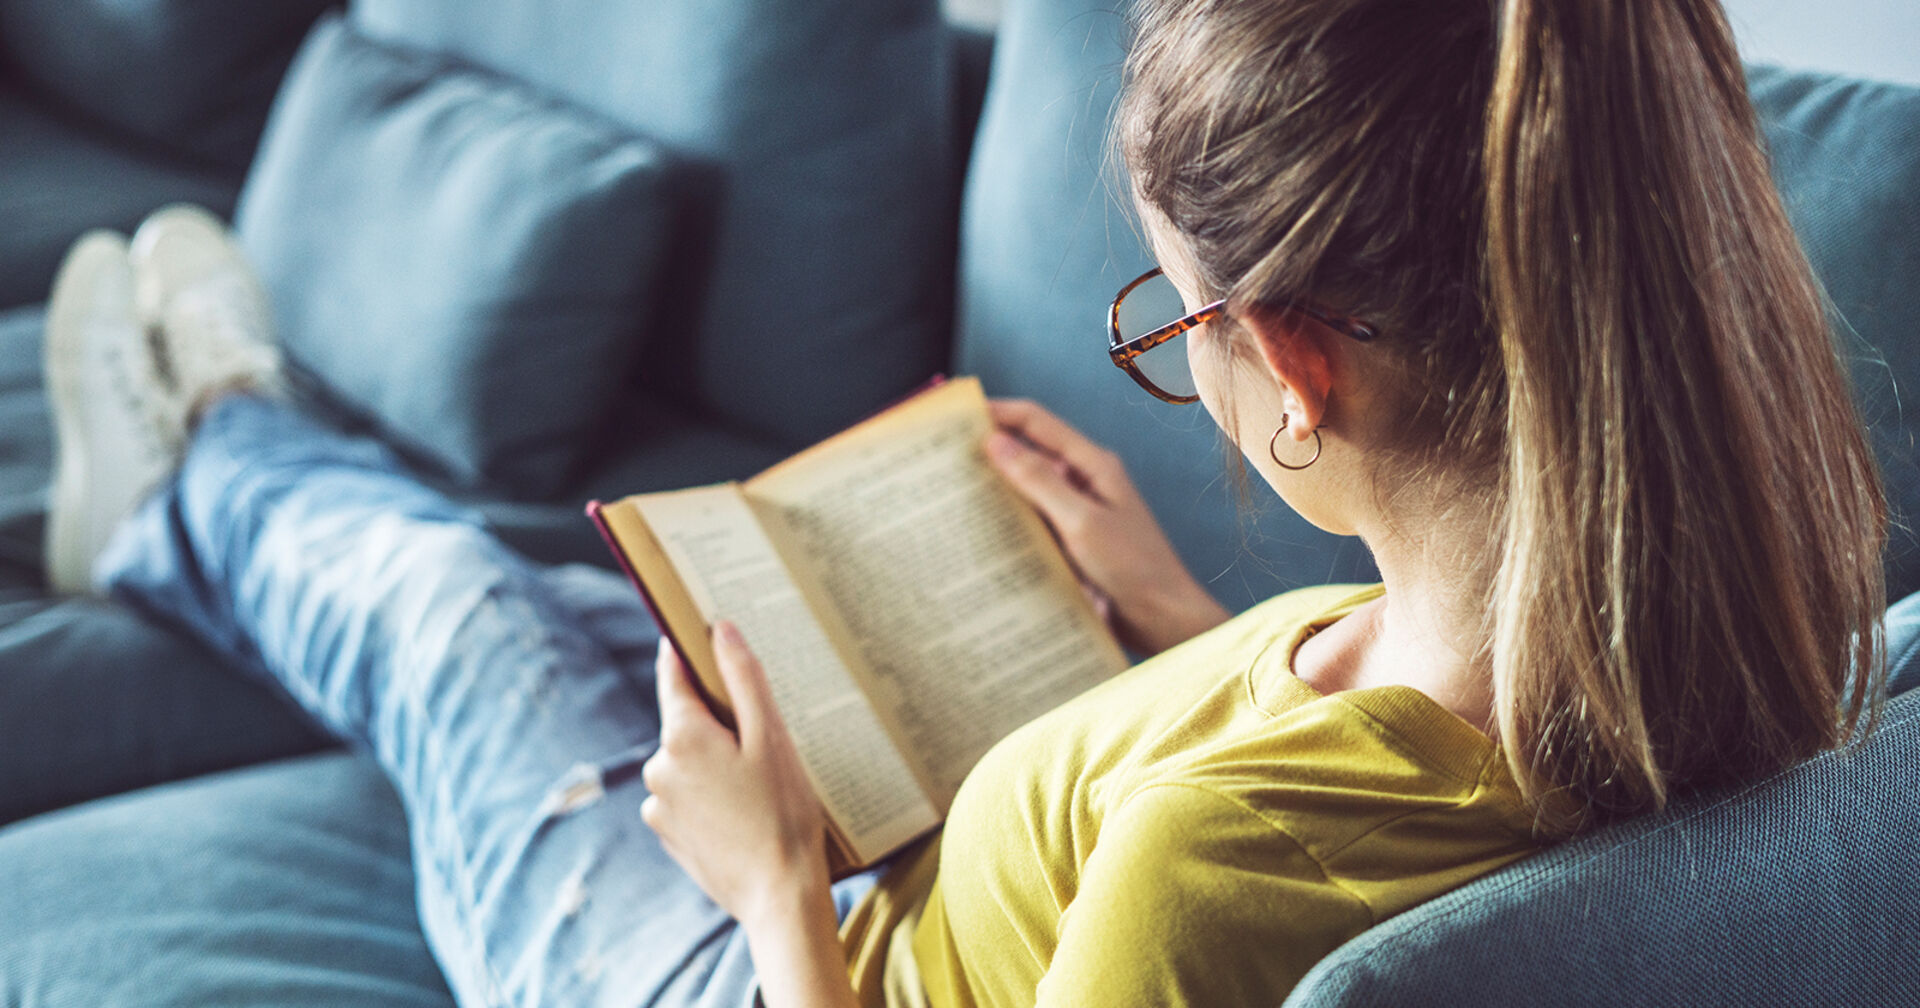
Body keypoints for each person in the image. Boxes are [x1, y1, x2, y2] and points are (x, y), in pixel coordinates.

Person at [38, 0, 1888, 1004]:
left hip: (760, 968)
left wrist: (769, 887)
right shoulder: (1774, 629)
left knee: (451, 617)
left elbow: (1251, 865)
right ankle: (231, 456)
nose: (1178, 357)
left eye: (1177, 325)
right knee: (612, 614)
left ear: (1301, 372)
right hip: (923, 887)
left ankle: (192, 465)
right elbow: (1366, 774)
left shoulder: (1205, 880)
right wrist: (1184, 624)